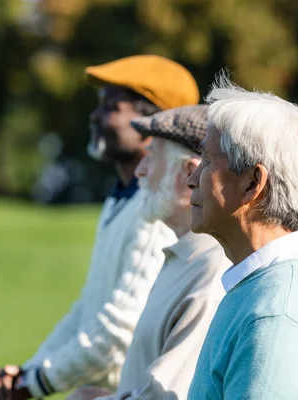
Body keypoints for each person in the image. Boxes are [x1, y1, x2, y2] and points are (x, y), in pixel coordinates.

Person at [0, 55, 200, 400]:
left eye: (110, 106)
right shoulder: (121, 200)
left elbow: (114, 333)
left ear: (152, 124)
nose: (95, 116)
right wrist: (26, 373)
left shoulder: (158, 211)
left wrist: (28, 385)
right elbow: (88, 309)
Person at [186, 75, 298, 399]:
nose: (192, 178)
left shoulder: (276, 318)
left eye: (208, 161)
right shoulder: (267, 289)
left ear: (253, 182)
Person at [68, 105, 230, 400]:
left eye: (152, 157)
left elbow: (171, 395)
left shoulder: (209, 274)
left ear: (189, 173)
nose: (140, 171)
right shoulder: (183, 259)